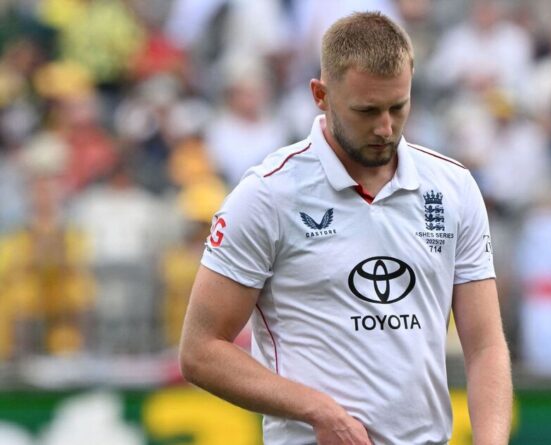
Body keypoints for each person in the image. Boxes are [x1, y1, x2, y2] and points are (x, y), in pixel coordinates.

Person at [179, 11, 512, 445]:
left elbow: (485, 346)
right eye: (366, 111)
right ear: (320, 94)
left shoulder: (454, 188)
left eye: (398, 107)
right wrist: (317, 410)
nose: (385, 128)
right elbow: (200, 351)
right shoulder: (267, 195)